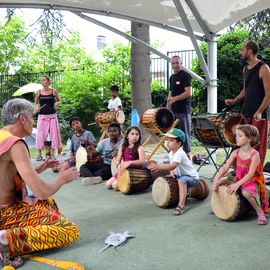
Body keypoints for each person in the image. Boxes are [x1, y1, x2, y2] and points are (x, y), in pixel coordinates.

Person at [0, 98, 80, 268]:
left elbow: (9, 177)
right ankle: (5, 238)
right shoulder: (15, 143)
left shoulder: (3, 137)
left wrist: (42, 167)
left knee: (46, 204)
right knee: (69, 230)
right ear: (22, 119)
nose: (33, 122)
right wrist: (62, 179)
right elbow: (42, 191)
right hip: (5, 213)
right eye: (31, 117)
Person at [212, 124, 268, 225]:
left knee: (246, 193)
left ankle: (260, 212)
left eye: (240, 135)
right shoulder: (235, 152)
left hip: (251, 181)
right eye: (236, 135)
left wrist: (237, 185)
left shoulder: (255, 155)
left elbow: (251, 174)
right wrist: (217, 178)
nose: (236, 137)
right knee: (220, 182)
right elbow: (225, 167)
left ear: (249, 138)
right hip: (238, 178)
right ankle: (219, 205)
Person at [225, 41, 270, 165]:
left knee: (256, 149)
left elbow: (269, 93)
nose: (241, 52)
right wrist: (234, 100)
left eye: (242, 49)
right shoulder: (245, 69)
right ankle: (241, 175)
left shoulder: (263, 68)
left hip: (258, 116)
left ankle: (255, 178)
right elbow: (246, 90)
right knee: (242, 147)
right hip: (246, 114)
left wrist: (260, 111)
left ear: (249, 51)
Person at [148, 128, 199, 216]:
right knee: (172, 177)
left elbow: (173, 165)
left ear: (179, 143)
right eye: (167, 139)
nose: (167, 142)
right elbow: (172, 167)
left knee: (181, 181)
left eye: (171, 140)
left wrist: (158, 167)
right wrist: (172, 172)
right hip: (181, 175)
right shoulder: (171, 153)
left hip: (192, 177)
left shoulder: (180, 153)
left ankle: (181, 205)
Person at [166, 55, 192, 157]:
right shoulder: (172, 77)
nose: (175, 65)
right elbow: (170, 93)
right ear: (171, 64)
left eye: (177, 63)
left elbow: (188, 92)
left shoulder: (185, 75)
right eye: (173, 63)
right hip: (174, 110)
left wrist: (174, 99)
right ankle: (175, 155)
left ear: (181, 63)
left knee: (184, 133)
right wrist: (167, 105)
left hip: (183, 110)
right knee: (174, 134)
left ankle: (187, 155)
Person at [106, 126, 145, 190]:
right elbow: (118, 160)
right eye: (132, 134)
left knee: (115, 186)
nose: (135, 136)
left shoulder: (140, 147)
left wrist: (130, 162)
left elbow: (142, 161)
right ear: (127, 136)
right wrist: (118, 165)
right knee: (108, 184)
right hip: (124, 169)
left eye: (137, 134)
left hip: (135, 170)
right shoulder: (123, 146)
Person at [34, 75, 62, 161]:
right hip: (42, 116)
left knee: (54, 135)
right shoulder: (38, 92)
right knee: (40, 135)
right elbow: (35, 103)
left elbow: (59, 100)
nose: (42, 82)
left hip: (52, 116)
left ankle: (52, 154)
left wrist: (57, 103)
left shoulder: (54, 91)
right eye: (41, 80)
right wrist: (36, 108)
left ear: (49, 82)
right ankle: (39, 155)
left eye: (44, 80)